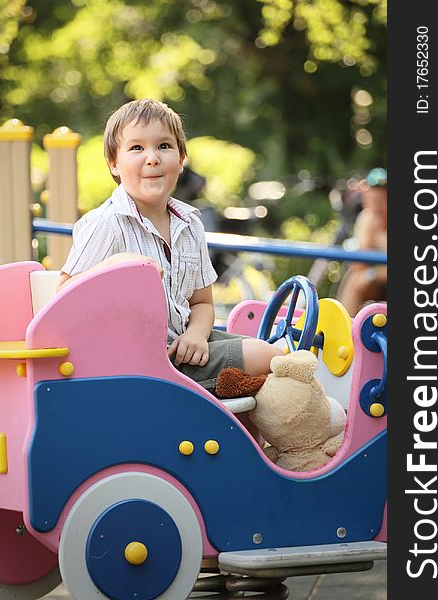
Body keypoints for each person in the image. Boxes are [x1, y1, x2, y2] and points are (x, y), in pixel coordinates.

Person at [58, 98, 282, 394]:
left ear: (181, 158)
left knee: (273, 352)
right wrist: (114, 266)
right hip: (138, 366)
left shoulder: (190, 224)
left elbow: (201, 303)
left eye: (164, 146)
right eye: (136, 148)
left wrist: (197, 335)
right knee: (270, 358)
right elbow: (62, 299)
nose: (152, 158)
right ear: (114, 163)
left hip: (181, 347)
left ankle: (283, 424)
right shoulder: (107, 223)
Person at [337, 168, 387, 316]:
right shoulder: (367, 218)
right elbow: (358, 264)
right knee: (355, 279)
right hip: (374, 279)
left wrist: (372, 273)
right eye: (371, 201)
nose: (376, 208)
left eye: (381, 202)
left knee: (359, 281)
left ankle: (345, 323)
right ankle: (345, 324)